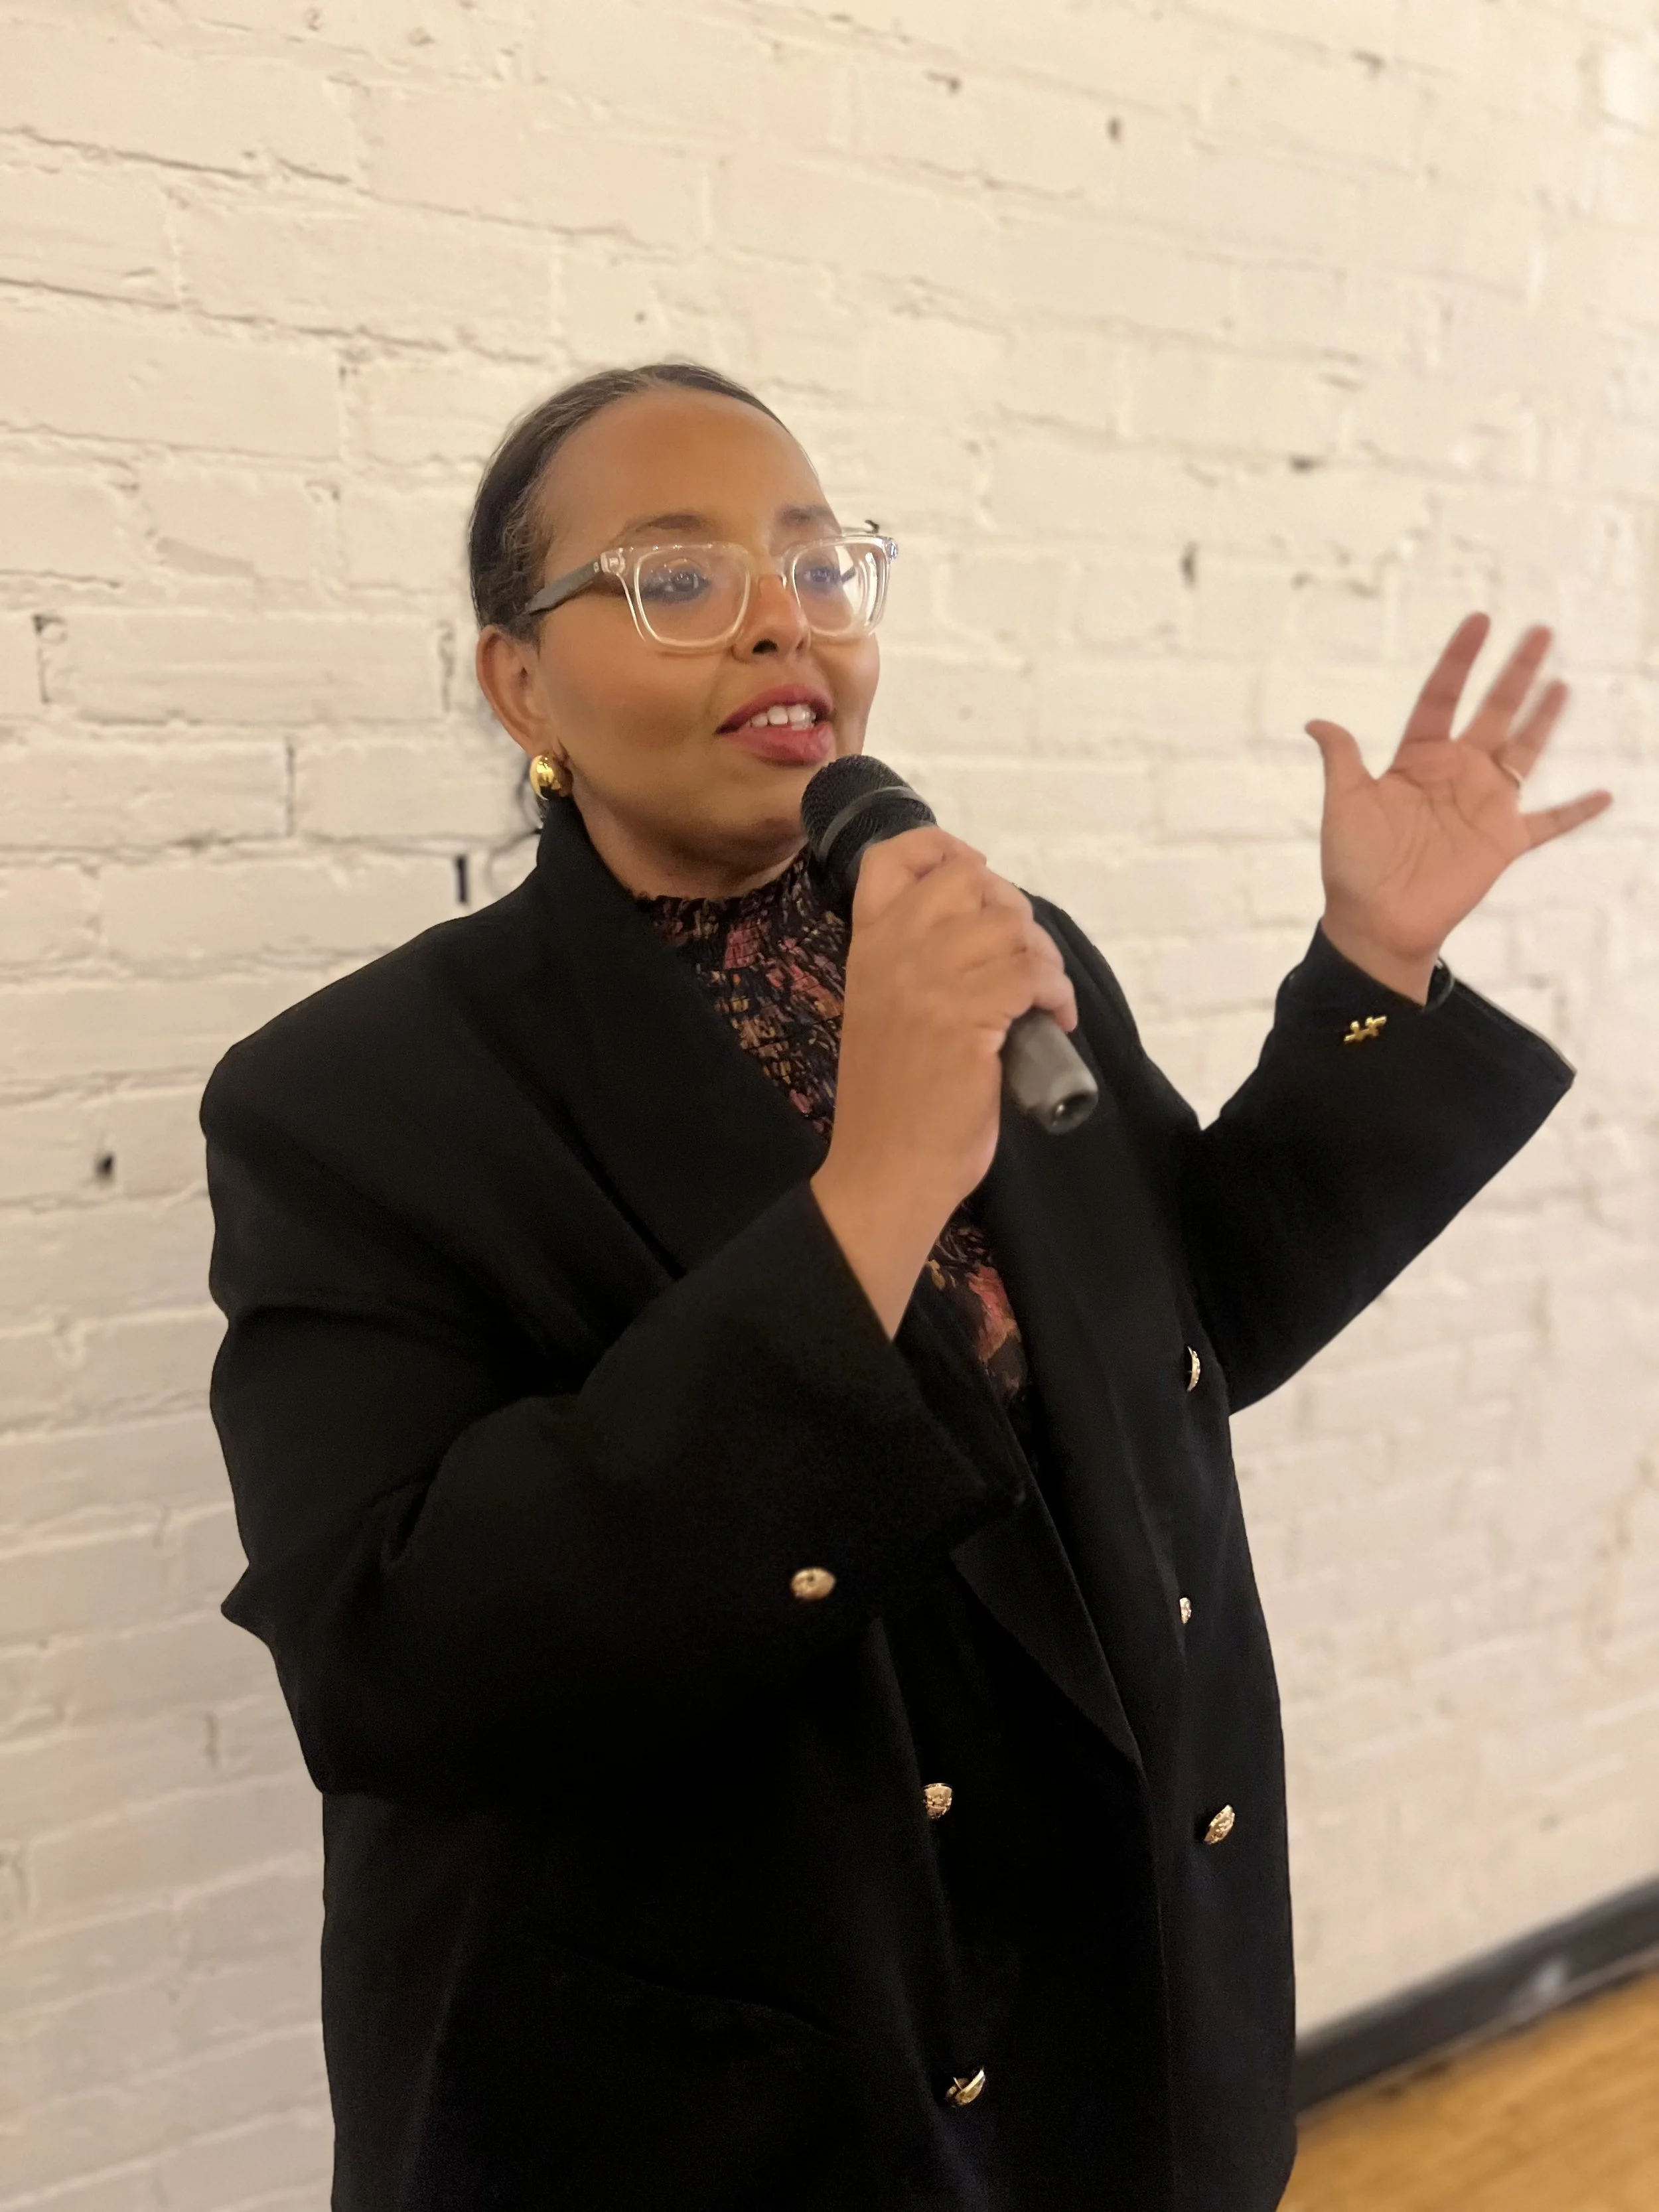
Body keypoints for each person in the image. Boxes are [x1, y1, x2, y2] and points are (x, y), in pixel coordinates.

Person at [200, 361, 1611, 2212]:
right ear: (519, 684)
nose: (783, 620)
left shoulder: (970, 945)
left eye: (817, 564)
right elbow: (407, 1665)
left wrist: (1373, 961)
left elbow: (1184, 1333)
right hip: (736, 2088)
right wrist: (868, 1194)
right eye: (676, 579)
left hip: (1112, 2010)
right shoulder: (356, 1095)